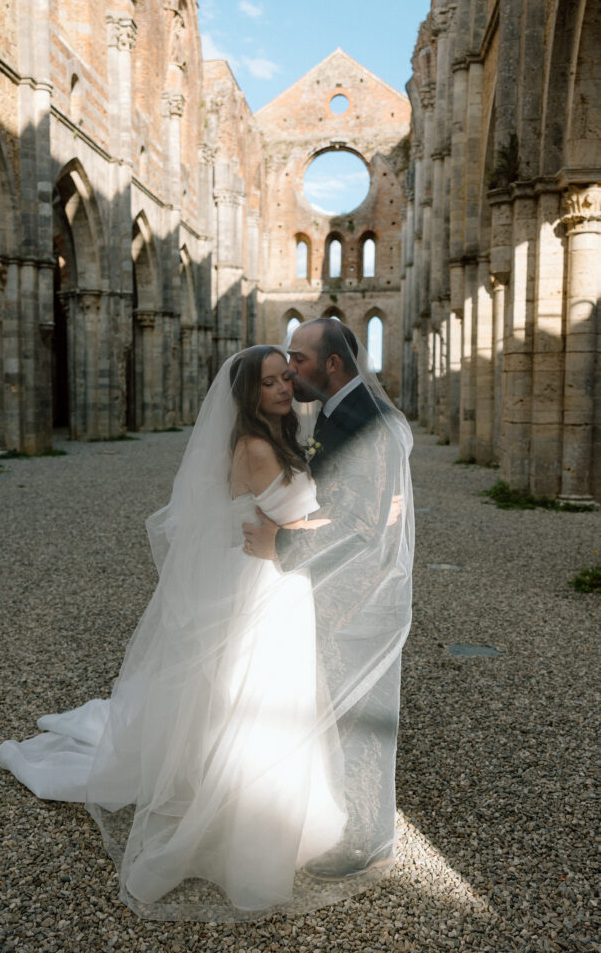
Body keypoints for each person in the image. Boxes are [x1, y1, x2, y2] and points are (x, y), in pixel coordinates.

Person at [0, 345, 353, 922]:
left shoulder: (269, 437)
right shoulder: (258, 448)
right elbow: (296, 527)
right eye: (270, 383)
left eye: (287, 378)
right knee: (258, 700)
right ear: (248, 394)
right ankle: (239, 830)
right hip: (268, 584)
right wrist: (361, 518)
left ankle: (260, 809)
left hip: (271, 579)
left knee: (254, 698)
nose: (285, 388)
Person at [242, 318, 413, 881]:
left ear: (332, 365)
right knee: (343, 720)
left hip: (361, 602)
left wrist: (280, 540)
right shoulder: (338, 413)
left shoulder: (371, 422)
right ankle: (357, 825)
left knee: (362, 725)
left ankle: (368, 841)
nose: (290, 370)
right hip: (339, 595)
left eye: (299, 358)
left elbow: (363, 527)